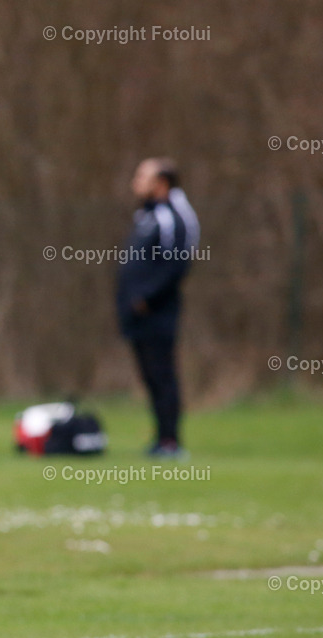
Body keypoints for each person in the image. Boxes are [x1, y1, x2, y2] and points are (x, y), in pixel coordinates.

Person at [116, 158, 200, 459]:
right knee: (150, 377)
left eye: (142, 176)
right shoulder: (147, 215)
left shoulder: (173, 218)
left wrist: (147, 297)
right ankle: (160, 438)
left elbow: (177, 264)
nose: (135, 182)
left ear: (161, 183)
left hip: (157, 313)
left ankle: (171, 441)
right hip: (137, 314)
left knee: (163, 375)